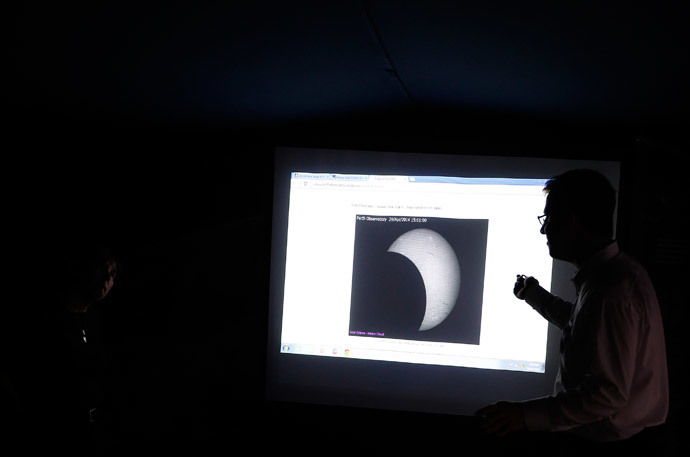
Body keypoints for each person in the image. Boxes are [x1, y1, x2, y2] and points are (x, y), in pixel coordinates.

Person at [475, 169, 669, 453]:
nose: (544, 230)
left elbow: (606, 397)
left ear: (571, 220)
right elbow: (584, 327)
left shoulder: (610, 292)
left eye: (548, 219)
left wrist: (523, 415)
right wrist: (533, 295)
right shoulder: (614, 276)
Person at [2, 240, 119, 455]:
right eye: (101, 269)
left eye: (112, 274)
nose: (106, 278)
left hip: (93, 432)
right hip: (55, 435)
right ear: (80, 268)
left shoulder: (98, 322)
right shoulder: (44, 318)